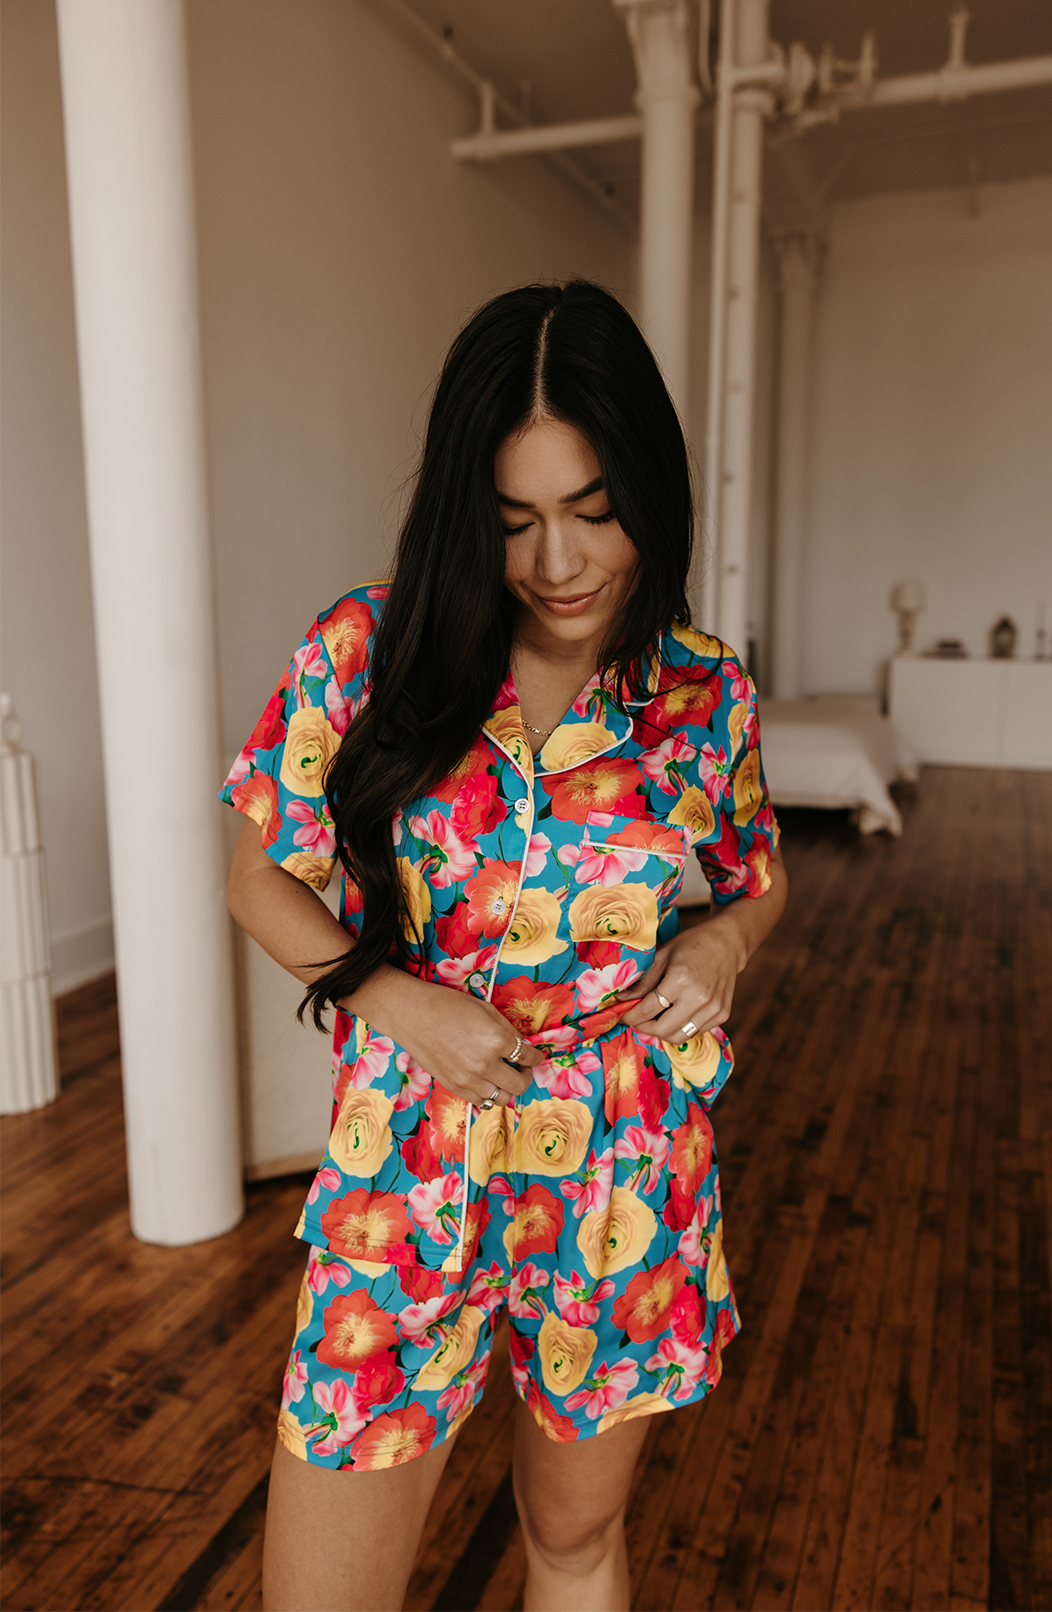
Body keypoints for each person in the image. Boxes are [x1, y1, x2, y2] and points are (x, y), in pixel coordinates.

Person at [222, 279, 787, 1612]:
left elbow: (757, 876)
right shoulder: (368, 650)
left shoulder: (701, 691)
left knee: (575, 1542)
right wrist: (400, 1002)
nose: (558, 563)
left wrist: (725, 944)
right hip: (410, 1158)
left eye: (595, 511)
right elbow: (259, 879)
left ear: (650, 490)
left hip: (622, 1164)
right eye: (514, 519)